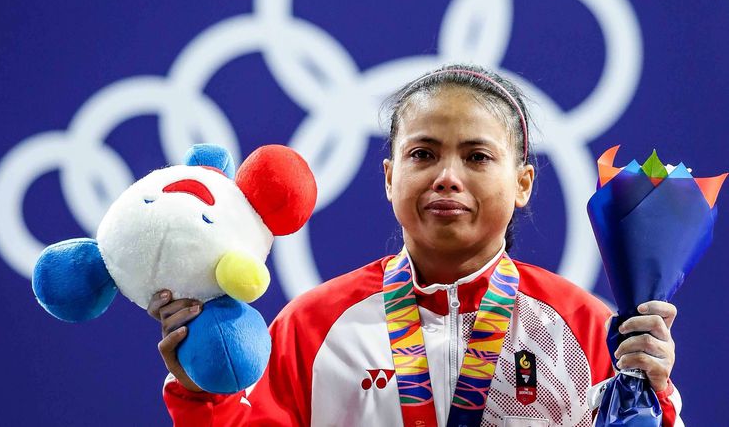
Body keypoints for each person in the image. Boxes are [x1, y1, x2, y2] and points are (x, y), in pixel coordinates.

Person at [150, 65, 682, 426]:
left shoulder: (584, 327)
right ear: (389, 177)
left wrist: (653, 396)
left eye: (477, 157)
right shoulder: (311, 327)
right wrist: (204, 395)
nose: (447, 177)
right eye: (423, 154)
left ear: (522, 183)